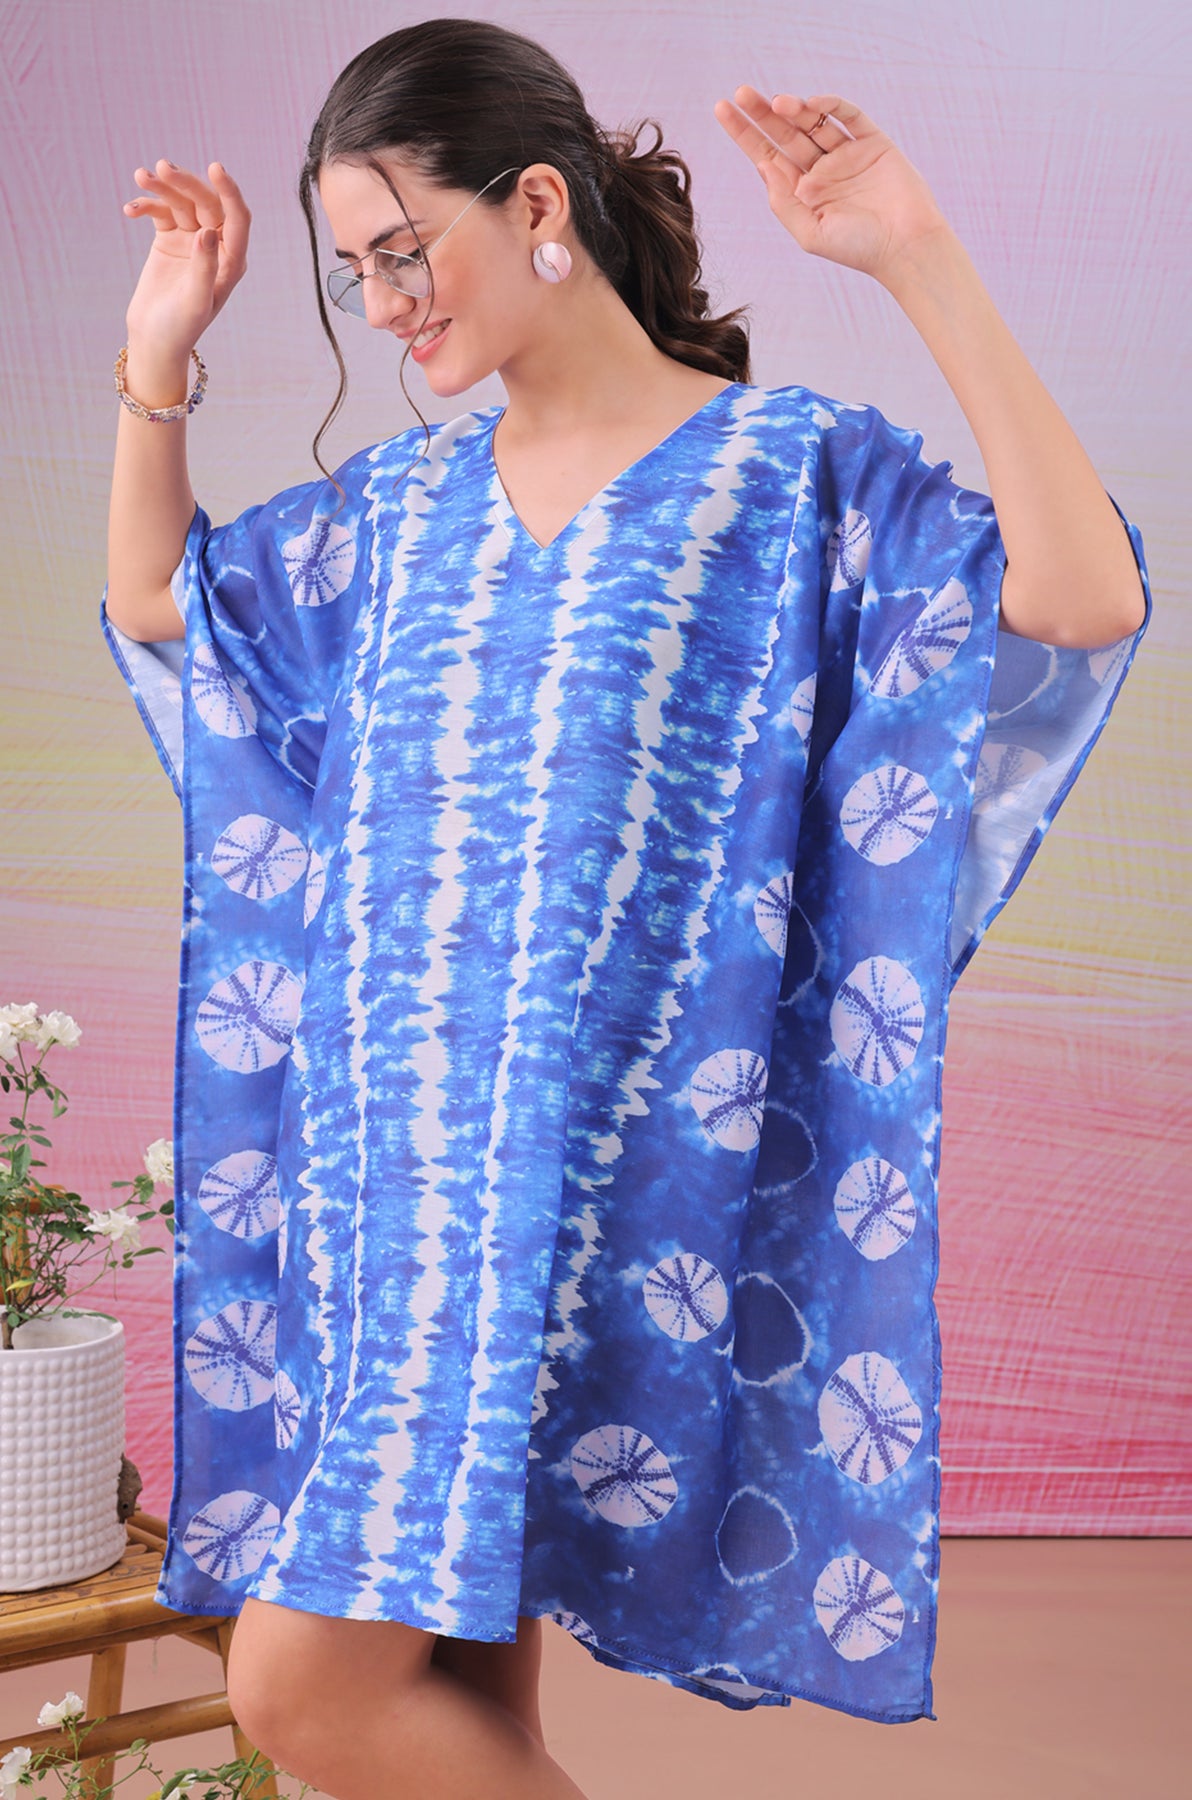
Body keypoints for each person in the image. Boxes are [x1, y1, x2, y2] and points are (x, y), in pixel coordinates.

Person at [101, 15, 1149, 1800]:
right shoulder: (402, 507)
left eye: (404, 252)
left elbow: (1077, 599)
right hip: (384, 1203)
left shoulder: (788, 473)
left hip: (589, 1197)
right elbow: (165, 611)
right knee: (457, 1701)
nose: (386, 306)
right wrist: (159, 354)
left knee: (300, 1688)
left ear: (537, 206)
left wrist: (916, 255)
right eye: (356, 277)